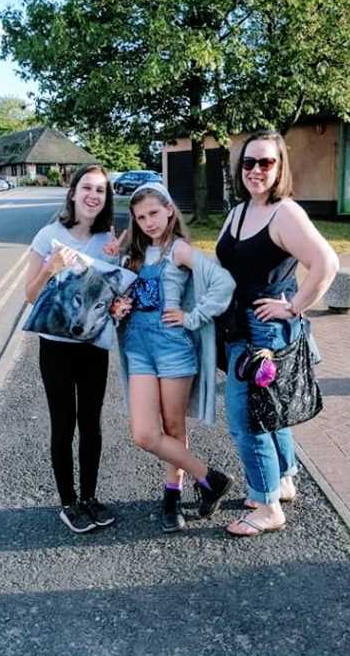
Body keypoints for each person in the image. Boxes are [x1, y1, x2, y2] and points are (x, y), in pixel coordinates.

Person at [216, 131, 339, 537]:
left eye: (265, 163)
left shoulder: (285, 213)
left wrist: (293, 306)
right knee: (271, 412)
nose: (255, 170)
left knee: (247, 421)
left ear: (280, 166)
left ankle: (267, 506)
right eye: (248, 162)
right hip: (238, 328)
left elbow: (326, 264)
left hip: (263, 336)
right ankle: (282, 480)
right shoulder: (239, 211)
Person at [112, 182, 236, 532]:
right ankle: (209, 478)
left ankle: (173, 495)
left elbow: (222, 283)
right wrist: (120, 308)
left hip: (172, 350)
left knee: (173, 427)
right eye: (140, 217)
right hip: (138, 350)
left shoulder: (178, 250)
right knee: (144, 434)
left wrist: (193, 317)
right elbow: (117, 299)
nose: (148, 222)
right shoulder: (132, 258)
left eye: (153, 213)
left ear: (169, 210)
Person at [25, 164, 125, 534]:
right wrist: (49, 268)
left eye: (100, 190)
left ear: (105, 198)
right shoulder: (48, 235)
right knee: (63, 424)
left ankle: (89, 497)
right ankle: (68, 502)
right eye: (87, 187)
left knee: (92, 425)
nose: (93, 195)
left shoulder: (108, 240)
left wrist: (118, 297)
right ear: (73, 192)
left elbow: (112, 292)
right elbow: (30, 296)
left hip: (93, 347)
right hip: (56, 349)